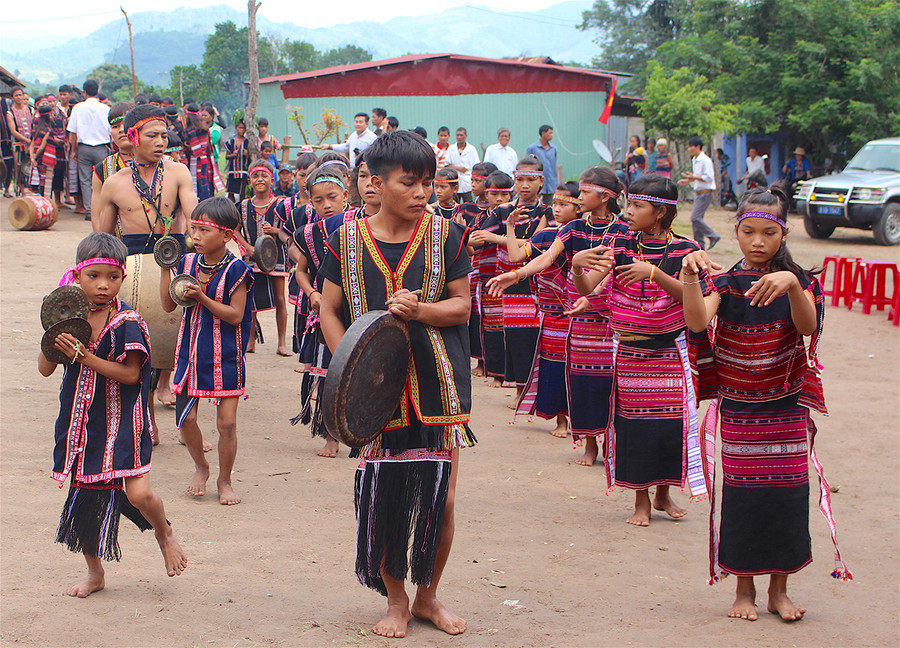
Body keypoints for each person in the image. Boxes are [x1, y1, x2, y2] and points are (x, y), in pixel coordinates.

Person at [318, 130, 475, 638]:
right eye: (410, 183)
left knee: (441, 499)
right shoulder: (343, 240)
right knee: (384, 498)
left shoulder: (447, 234)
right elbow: (329, 309)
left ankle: (429, 596)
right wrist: (352, 375)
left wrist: (421, 309)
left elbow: (462, 305)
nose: (422, 193)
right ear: (376, 183)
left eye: (427, 183)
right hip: (375, 395)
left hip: (436, 386)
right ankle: (396, 600)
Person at [682, 183, 851, 621]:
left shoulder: (803, 283)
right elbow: (697, 321)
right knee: (742, 497)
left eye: (769, 233)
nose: (758, 242)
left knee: (787, 499)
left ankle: (779, 591)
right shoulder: (724, 281)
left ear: (784, 234)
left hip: (786, 407)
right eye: (749, 231)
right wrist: (686, 276)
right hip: (739, 408)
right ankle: (743, 590)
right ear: (736, 231)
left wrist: (793, 284)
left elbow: (808, 327)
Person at [41, 232, 186, 597]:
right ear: (76, 276)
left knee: (138, 494)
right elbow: (45, 368)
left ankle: (163, 532)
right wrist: (52, 335)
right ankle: (95, 573)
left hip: (123, 422)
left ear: (123, 277)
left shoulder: (128, 322)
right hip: (81, 425)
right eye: (94, 277)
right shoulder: (68, 318)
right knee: (86, 501)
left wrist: (84, 356)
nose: (103, 285)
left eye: (113, 276)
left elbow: (132, 375)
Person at [572, 173, 708, 526]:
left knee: (668, 427)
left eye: (638, 205)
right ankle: (641, 501)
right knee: (633, 427)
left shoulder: (687, 252)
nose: (629, 211)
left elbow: (695, 300)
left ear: (660, 213)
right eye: (630, 204)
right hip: (630, 354)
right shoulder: (619, 247)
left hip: (667, 352)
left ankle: (663, 494)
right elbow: (589, 287)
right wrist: (576, 267)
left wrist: (655, 274)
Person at [160, 197, 254, 505]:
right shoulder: (186, 264)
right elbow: (167, 304)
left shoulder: (237, 269)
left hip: (225, 354)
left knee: (226, 423)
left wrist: (202, 297)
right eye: (193, 228)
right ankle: (200, 466)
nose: (196, 236)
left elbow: (235, 315)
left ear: (227, 235)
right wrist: (165, 268)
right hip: (190, 353)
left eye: (204, 230)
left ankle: (224, 480)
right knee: (185, 420)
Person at [486, 180, 583, 437]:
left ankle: (584, 426)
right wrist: (509, 226)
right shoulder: (546, 236)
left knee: (578, 370)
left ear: (579, 207)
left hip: (582, 312)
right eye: (556, 204)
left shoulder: (585, 236)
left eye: (564, 204)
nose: (558, 209)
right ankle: (561, 421)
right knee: (554, 366)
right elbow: (516, 256)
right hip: (552, 313)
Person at [291, 166, 363, 457]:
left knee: (361, 372)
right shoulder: (308, 233)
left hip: (359, 309)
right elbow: (301, 272)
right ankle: (331, 436)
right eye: (318, 200)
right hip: (323, 311)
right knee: (328, 376)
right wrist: (312, 293)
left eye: (331, 197)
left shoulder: (361, 221)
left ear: (345, 194)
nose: (326, 205)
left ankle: (362, 432)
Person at [476, 157, 551, 402]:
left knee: (538, 338)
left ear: (541, 181)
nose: (525, 185)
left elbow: (538, 245)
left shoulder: (547, 212)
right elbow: (480, 235)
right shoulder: (503, 210)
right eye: (520, 179)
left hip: (539, 280)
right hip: (510, 281)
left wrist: (500, 238)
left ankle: (537, 392)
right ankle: (521, 392)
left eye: (531, 180)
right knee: (517, 337)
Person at [95, 105, 195, 253]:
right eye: (152, 136)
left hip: (175, 258)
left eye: (164, 136)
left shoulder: (178, 172)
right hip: (132, 262)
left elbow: (193, 222)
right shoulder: (114, 183)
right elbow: (104, 240)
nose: (160, 142)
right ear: (132, 137)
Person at [233, 161, 292, 356]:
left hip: (275, 257)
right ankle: (250, 341)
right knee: (250, 298)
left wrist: (274, 230)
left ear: (271, 180)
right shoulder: (242, 206)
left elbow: (289, 230)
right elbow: (234, 230)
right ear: (250, 180)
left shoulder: (281, 205)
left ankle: (281, 343)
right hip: (251, 258)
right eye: (256, 176)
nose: (260, 179)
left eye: (264, 175)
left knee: (280, 298)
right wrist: (248, 247)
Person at [467, 170, 513, 386]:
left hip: (512, 277)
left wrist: (495, 238)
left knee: (509, 328)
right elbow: (474, 239)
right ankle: (495, 373)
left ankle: (511, 375)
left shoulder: (515, 216)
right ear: (487, 194)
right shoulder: (482, 217)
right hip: (486, 276)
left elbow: (526, 242)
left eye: (504, 195)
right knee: (491, 325)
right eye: (495, 194)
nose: (500, 200)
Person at [455, 161, 497, 377]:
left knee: (487, 316)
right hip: (471, 265)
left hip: (490, 266)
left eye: (478, 181)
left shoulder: (497, 213)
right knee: (472, 313)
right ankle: (477, 361)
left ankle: (488, 363)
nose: (473, 184)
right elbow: (462, 234)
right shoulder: (466, 208)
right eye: (471, 180)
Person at [67, 80, 110, 220]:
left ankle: (89, 211)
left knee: (85, 180)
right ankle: (104, 209)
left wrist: (73, 150)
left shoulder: (78, 108)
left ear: (84, 92)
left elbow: (72, 132)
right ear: (97, 92)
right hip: (102, 147)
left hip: (84, 147)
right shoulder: (105, 109)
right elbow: (110, 130)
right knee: (104, 178)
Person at [90, 102, 135, 219]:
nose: (121, 130)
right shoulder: (102, 169)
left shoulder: (159, 164)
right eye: (115, 126)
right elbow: (97, 215)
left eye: (125, 124)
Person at [679, 136, 720, 249]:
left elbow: (709, 177)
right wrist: (688, 180)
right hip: (698, 192)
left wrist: (694, 177)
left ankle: (713, 235)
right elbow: (698, 177)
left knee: (695, 218)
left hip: (705, 193)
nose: (689, 149)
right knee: (697, 220)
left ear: (698, 147)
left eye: (691, 146)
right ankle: (699, 244)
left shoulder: (705, 160)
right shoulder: (695, 160)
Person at [182, 103, 220, 201]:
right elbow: (208, 145)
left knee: (198, 186)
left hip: (196, 162)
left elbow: (195, 150)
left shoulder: (190, 130)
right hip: (206, 161)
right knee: (206, 183)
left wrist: (187, 147)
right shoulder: (204, 129)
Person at [6, 87, 34, 196]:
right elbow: (13, 131)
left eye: (20, 95)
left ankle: (31, 189)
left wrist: (32, 141)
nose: (18, 97)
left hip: (31, 143)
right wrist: (27, 140)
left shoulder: (30, 110)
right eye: (16, 95)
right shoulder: (10, 113)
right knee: (19, 167)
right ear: (12, 97)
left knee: (30, 166)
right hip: (18, 144)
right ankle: (22, 191)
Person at [445, 127, 479, 203]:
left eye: (461, 135)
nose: (459, 137)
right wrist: (458, 168)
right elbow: (446, 165)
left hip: (467, 180)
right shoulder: (451, 148)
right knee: (454, 203)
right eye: (457, 135)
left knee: (469, 203)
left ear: (466, 136)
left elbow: (476, 165)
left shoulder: (471, 149)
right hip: (455, 179)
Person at [526, 125, 558, 204]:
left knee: (549, 204)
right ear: (543, 133)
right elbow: (527, 165)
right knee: (534, 202)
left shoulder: (553, 148)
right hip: (537, 180)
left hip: (551, 181)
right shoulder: (532, 148)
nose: (552, 135)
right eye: (550, 133)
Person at [224, 120, 251, 202]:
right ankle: (231, 209)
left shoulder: (247, 142)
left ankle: (241, 210)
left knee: (242, 192)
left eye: (243, 128)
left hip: (243, 171)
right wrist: (234, 154)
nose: (242, 130)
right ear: (236, 128)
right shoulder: (231, 142)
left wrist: (247, 154)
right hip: (233, 170)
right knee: (231, 192)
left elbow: (251, 156)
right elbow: (227, 156)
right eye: (240, 128)